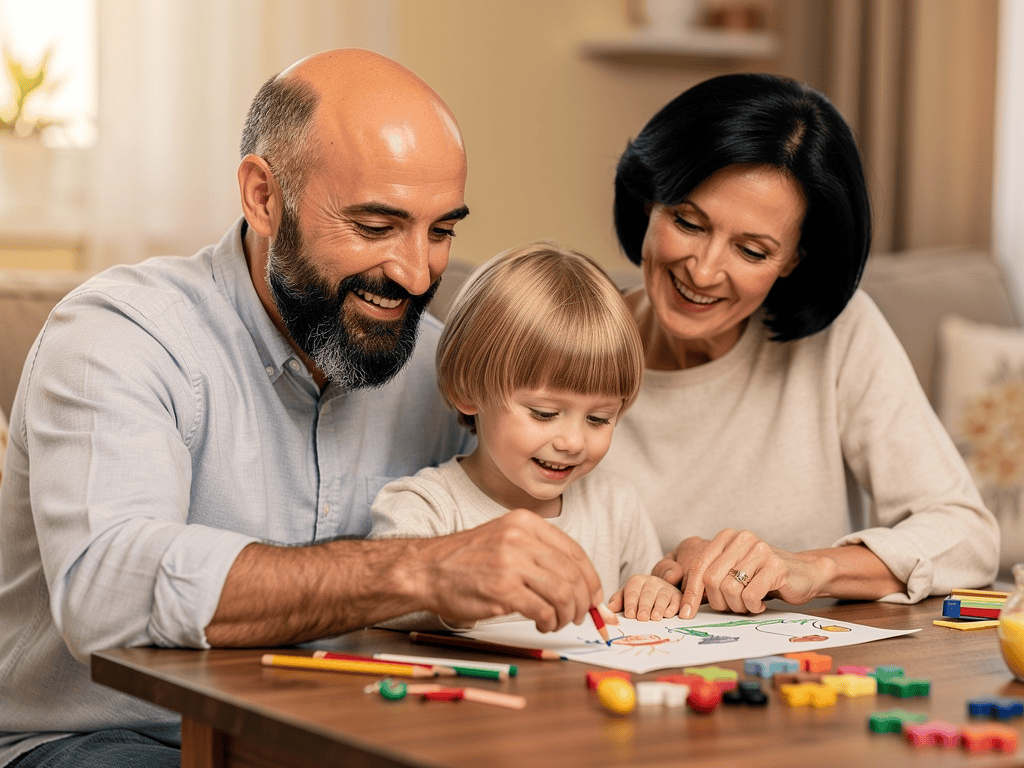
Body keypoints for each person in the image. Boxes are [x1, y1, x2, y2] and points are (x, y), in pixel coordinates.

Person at [0, 50, 605, 768]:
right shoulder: (122, 334)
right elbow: (107, 589)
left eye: (440, 231)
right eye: (376, 226)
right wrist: (416, 569)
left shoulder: (447, 370)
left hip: (342, 735)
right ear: (263, 196)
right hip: (107, 739)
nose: (416, 274)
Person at [603, 72, 1000, 621]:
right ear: (649, 200)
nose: (705, 269)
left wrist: (811, 568)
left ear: (794, 260)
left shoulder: (839, 334)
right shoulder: (564, 336)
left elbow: (968, 535)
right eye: (689, 222)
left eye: (752, 250)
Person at [371, 243, 682, 625]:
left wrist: (655, 593)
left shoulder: (617, 506)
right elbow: (379, 609)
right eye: (545, 413)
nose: (573, 441)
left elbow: (653, 596)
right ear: (467, 390)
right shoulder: (425, 509)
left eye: (599, 419)